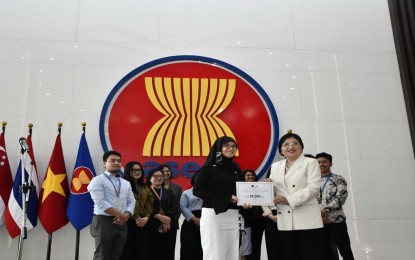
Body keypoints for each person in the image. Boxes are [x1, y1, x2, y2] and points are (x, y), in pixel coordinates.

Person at [267, 130, 325, 260]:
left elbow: (314, 187)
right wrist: (268, 187)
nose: (291, 146)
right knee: (291, 256)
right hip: (285, 220)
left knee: (311, 255)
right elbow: (274, 190)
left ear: (301, 147)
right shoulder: (275, 166)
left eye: (295, 143)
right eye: (286, 144)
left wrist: (289, 199)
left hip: (307, 219)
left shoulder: (310, 162)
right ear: (281, 150)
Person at [193, 136, 247, 260]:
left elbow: (240, 192)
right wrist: (225, 199)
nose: (231, 148)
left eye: (233, 146)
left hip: (233, 216)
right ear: (219, 148)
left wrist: (245, 202)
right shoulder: (209, 167)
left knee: (231, 253)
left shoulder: (236, 170)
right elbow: (197, 190)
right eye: (226, 145)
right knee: (214, 254)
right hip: (213, 215)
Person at [87, 150, 135, 260]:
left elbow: (131, 202)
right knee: (102, 255)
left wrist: (126, 215)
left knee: (116, 255)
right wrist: (120, 215)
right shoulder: (97, 180)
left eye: (119, 161)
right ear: (104, 163)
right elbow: (100, 202)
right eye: (112, 160)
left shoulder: (125, 183)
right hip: (104, 221)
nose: (116, 163)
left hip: (122, 222)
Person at [316, 152, 354, 260]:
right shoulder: (313, 181)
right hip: (320, 222)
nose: (321, 164)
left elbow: (340, 198)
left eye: (324, 162)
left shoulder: (339, 179)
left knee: (345, 250)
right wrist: (321, 215)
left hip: (337, 221)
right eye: (318, 162)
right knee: (326, 252)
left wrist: (325, 210)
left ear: (331, 163)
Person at [121, 161, 154, 260]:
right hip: (127, 222)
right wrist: (136, 217)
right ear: (128, 171)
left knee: (141, 251)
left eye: (139, 170)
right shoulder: (123, 185)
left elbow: (149, 204)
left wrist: (147, 217)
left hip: (143, 223)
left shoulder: (145, 187)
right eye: (134, 170)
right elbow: (124, 203)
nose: (137, 172)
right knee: (126, 251)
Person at [146, 167, 179, 260]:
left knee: (167, 252)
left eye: (160, 176)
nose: (158, 178)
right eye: (155, 176)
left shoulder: (169, 191)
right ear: (149, 178)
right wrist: (159, 217)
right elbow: (145, 206)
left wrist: (166, 220)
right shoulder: (146, 191)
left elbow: (175, 206)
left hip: (168, 226)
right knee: (151, 252)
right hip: (151, 226)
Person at [179, 173, 203, 260]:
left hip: (205, 222)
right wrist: (194, 219)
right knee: (189, 248)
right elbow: (182, 207)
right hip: (190, 222)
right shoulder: (186, 193)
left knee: (202, 248)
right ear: (193, 180)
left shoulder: (207, 194)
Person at [161, 164, 182, 256]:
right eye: (163, 171)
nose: (166, 173)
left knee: (170, 248)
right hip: (156, 222)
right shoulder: (155, 186)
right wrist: (162, 220)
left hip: (172, 223)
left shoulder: (177, 187)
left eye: (168, 171)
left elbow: (179, 206)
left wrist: (169, 220)